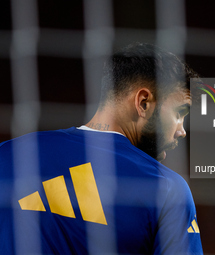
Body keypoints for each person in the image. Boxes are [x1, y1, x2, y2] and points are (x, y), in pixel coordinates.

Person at [0, 43, 203, 254]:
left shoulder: (7, 154)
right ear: (143, 103)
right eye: (180, 113)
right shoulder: (166, 189)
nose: (182, 131)